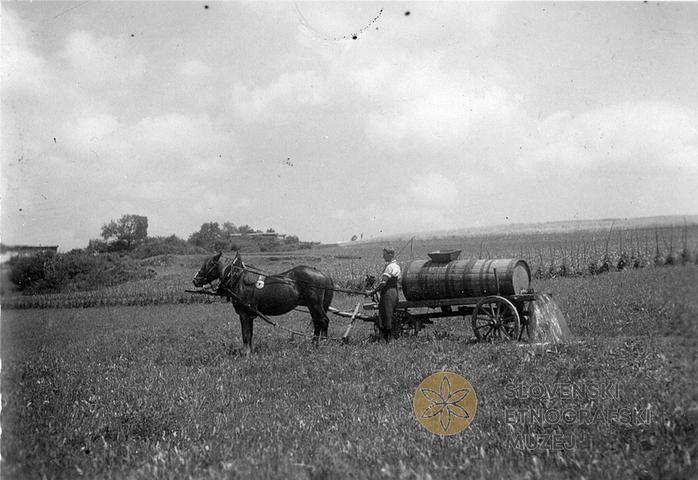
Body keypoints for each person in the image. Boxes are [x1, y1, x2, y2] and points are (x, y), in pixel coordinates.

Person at [365, 246, 401, 341]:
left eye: (384, 254)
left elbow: (383, 283)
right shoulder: (396, 266)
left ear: (390, 255)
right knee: (390, 313)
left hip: (387, 293)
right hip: (394, 292)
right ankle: (389, 337)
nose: (383, 256)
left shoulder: (389, 267)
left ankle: (386, 339)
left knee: (385, 314)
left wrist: (372, 292)